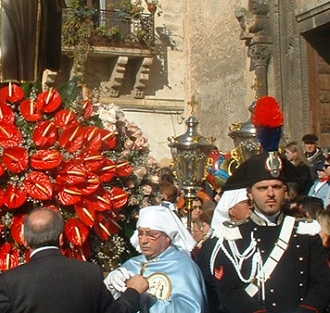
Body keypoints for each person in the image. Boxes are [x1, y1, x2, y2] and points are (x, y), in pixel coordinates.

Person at [209, 97, 330, 313]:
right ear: (250, 193)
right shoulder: (231, 236)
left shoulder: (305, 231)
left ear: (286, 191)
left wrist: (306, 311)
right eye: (263, 188)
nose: (271, 194)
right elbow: (228, 289)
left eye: (276, 186)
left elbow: (322, 283)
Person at [0, 208, 147, 313]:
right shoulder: (90, 273)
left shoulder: (10, 281)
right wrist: (133, 291)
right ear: (62, 239)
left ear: (25, 241)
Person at [105, 205, 207, 312]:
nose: (143, 240)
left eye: (151, 235)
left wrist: (140, 297)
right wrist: (111, 286)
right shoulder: (132, 264)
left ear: (168, 237)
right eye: (140, 233)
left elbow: (191, 309)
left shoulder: (183, 267)